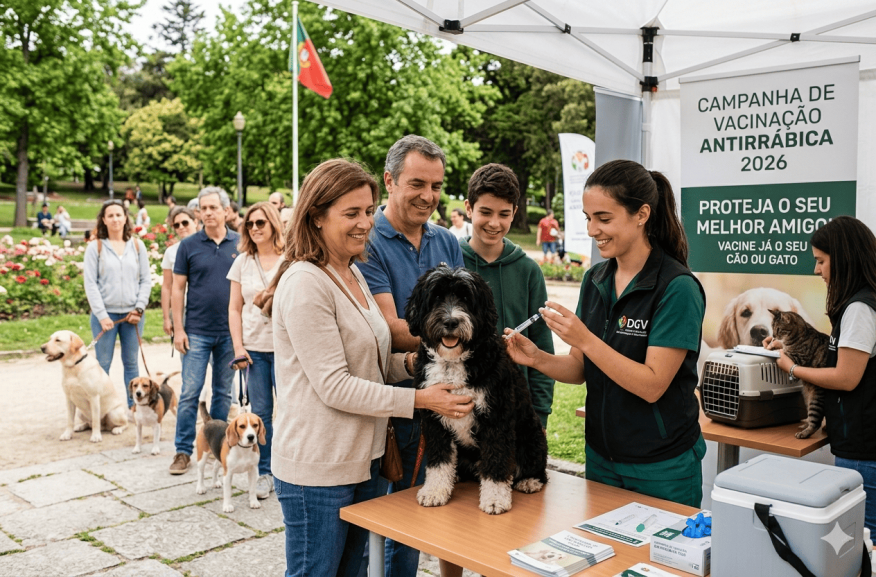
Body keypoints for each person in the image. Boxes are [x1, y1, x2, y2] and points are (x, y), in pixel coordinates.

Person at [271, 158, 472, 577]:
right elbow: (336, 386)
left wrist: (414, 363)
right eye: (352, 213)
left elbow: (370, 363)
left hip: (363, 460)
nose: (365, 223)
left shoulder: (351, 271)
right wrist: (421, 399)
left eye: (367, 210)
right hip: (319, 469)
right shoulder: (306, 282)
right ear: (316, 216)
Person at [506, 159, 706, 508]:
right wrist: (536, 358)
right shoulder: (595, 279)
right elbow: (579, 368)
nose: (592, 229)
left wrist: (585, 338)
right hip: (600, 458)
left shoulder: (677, 288)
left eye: (603, 218)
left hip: (662, 467)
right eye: (588, 218)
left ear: (642, 214)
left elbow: (652, 385)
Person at [356, 134, 465, 577]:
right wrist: (458, 338)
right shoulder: (368, 240)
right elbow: (391, 330)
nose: (428, 196)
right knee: (381, 521)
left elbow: (462, 311)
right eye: (417, 184)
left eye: (436, 186)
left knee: (424, 517)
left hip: (442, 401)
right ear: (389, 180)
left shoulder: (447, 241)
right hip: (393, 401)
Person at [764, 215, 876, 531]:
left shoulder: (859, 309)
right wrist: (787, 344)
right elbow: (839, 353)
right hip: (862, 444)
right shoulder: (862, 302)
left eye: (821, 261)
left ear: (843, 260)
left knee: (863, 537)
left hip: (863, 450)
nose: (817, 270)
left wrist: (792, 367)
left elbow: (846, 377)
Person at [169, 187, 240, 475]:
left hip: (229, 332)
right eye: (203, 208)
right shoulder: (188, 245)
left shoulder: (240, 243)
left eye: (213, 207)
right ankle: (183, 451)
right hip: (196, 331)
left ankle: (217, 445)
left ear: (226, 211)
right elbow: (177, 289)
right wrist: (178, 329)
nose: (207, 212)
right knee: (190, 393)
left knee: (223, 393)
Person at [227, 201, 284, 499]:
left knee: (290, 411)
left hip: (286, 348)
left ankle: (288, 469)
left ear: (273, 223)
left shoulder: (290, 259)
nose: (254, 228)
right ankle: (265, 472)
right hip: (254, 350)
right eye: (249, 224)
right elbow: (234, 308)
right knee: (260, 413)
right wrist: (238, 347)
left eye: (260, 222)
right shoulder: (242, 261)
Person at [83, 200, 152, 411]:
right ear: (103, 220)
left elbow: (146, 280)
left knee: (131, 363)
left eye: (119, 215)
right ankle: (102, 410)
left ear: (125, 218)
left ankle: (134, 408)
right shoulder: (95, 247)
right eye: (110, 215)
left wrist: (139, 308)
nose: (115, 219)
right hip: (105, 316)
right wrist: (102, 315)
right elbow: (90, 283)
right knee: (102, 364)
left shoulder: (137, 246)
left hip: (132, 316)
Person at [161, 207, 198, 337]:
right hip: (181, 309)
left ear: (195, 222)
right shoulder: (171, 252)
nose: (181, 227)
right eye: (176, 225)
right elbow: (167, 286)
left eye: (185, 223)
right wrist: (166, 318)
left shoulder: (208, 246)